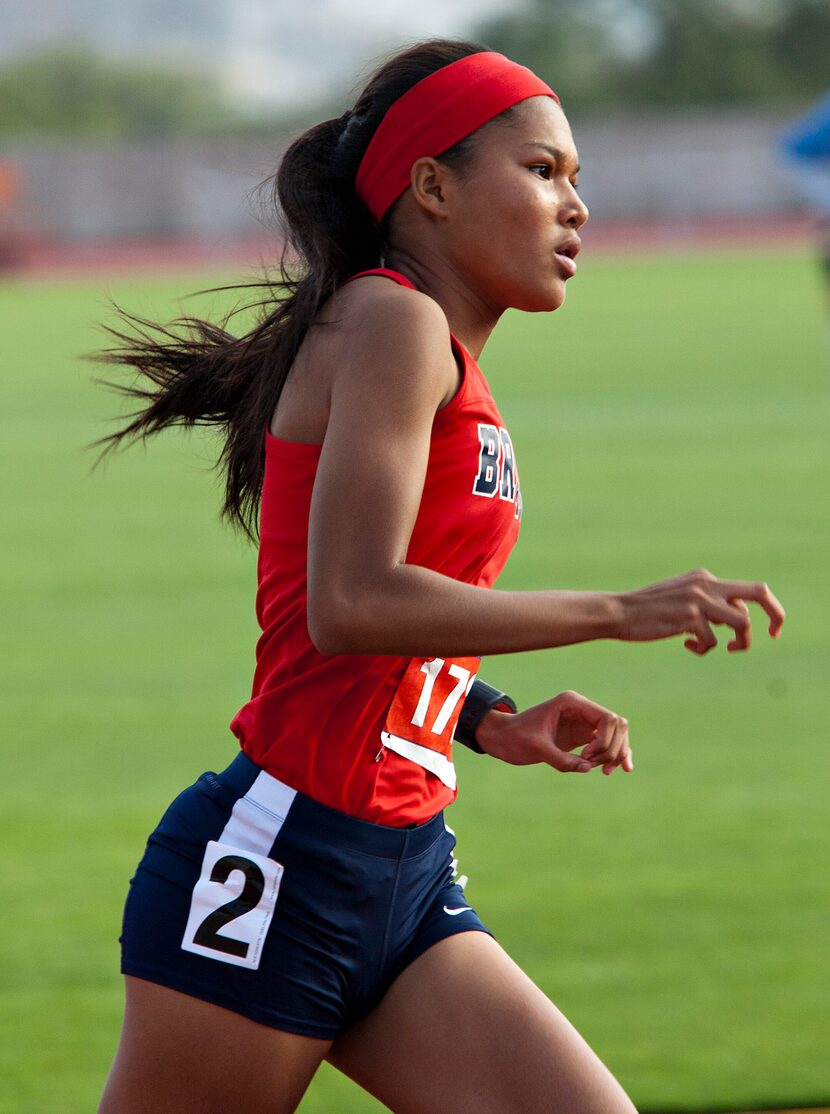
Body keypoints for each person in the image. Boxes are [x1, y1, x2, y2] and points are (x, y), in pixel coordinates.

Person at [93, 39, 785, 1114]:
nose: (576, 207)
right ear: (431, 186)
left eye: (576, 177)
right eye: (543, 171)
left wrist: (480, 712)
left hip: (400, 869)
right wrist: (619, 609)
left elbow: (368, 620)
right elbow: (349, 603)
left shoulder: (429, 348)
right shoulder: (393, 319)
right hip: (278, 869)